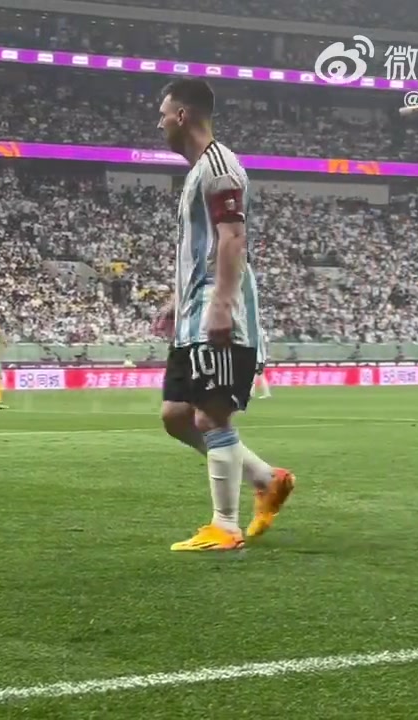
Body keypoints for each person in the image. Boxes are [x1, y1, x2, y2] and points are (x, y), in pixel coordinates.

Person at [151, 79, 294, 552]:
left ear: (182, 116)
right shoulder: (198, 172)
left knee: (212, 417)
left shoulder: (219, 166)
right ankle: (266, 479)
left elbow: (233, 238)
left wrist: (222, 305)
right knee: (176, 416)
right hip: (194, 311)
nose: (159, 123)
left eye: (163, 114)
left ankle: (225, 527)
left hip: (216, 309)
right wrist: (178, 302)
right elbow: (206, 247)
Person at [254, 330, 272, 399]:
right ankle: (266, 393)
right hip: (261, 357)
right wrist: (268, 355)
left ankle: (251, 393)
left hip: (258, 358)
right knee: (259, 375)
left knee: (257, 375)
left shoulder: (257, 332)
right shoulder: (263, 332)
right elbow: (267, 344)